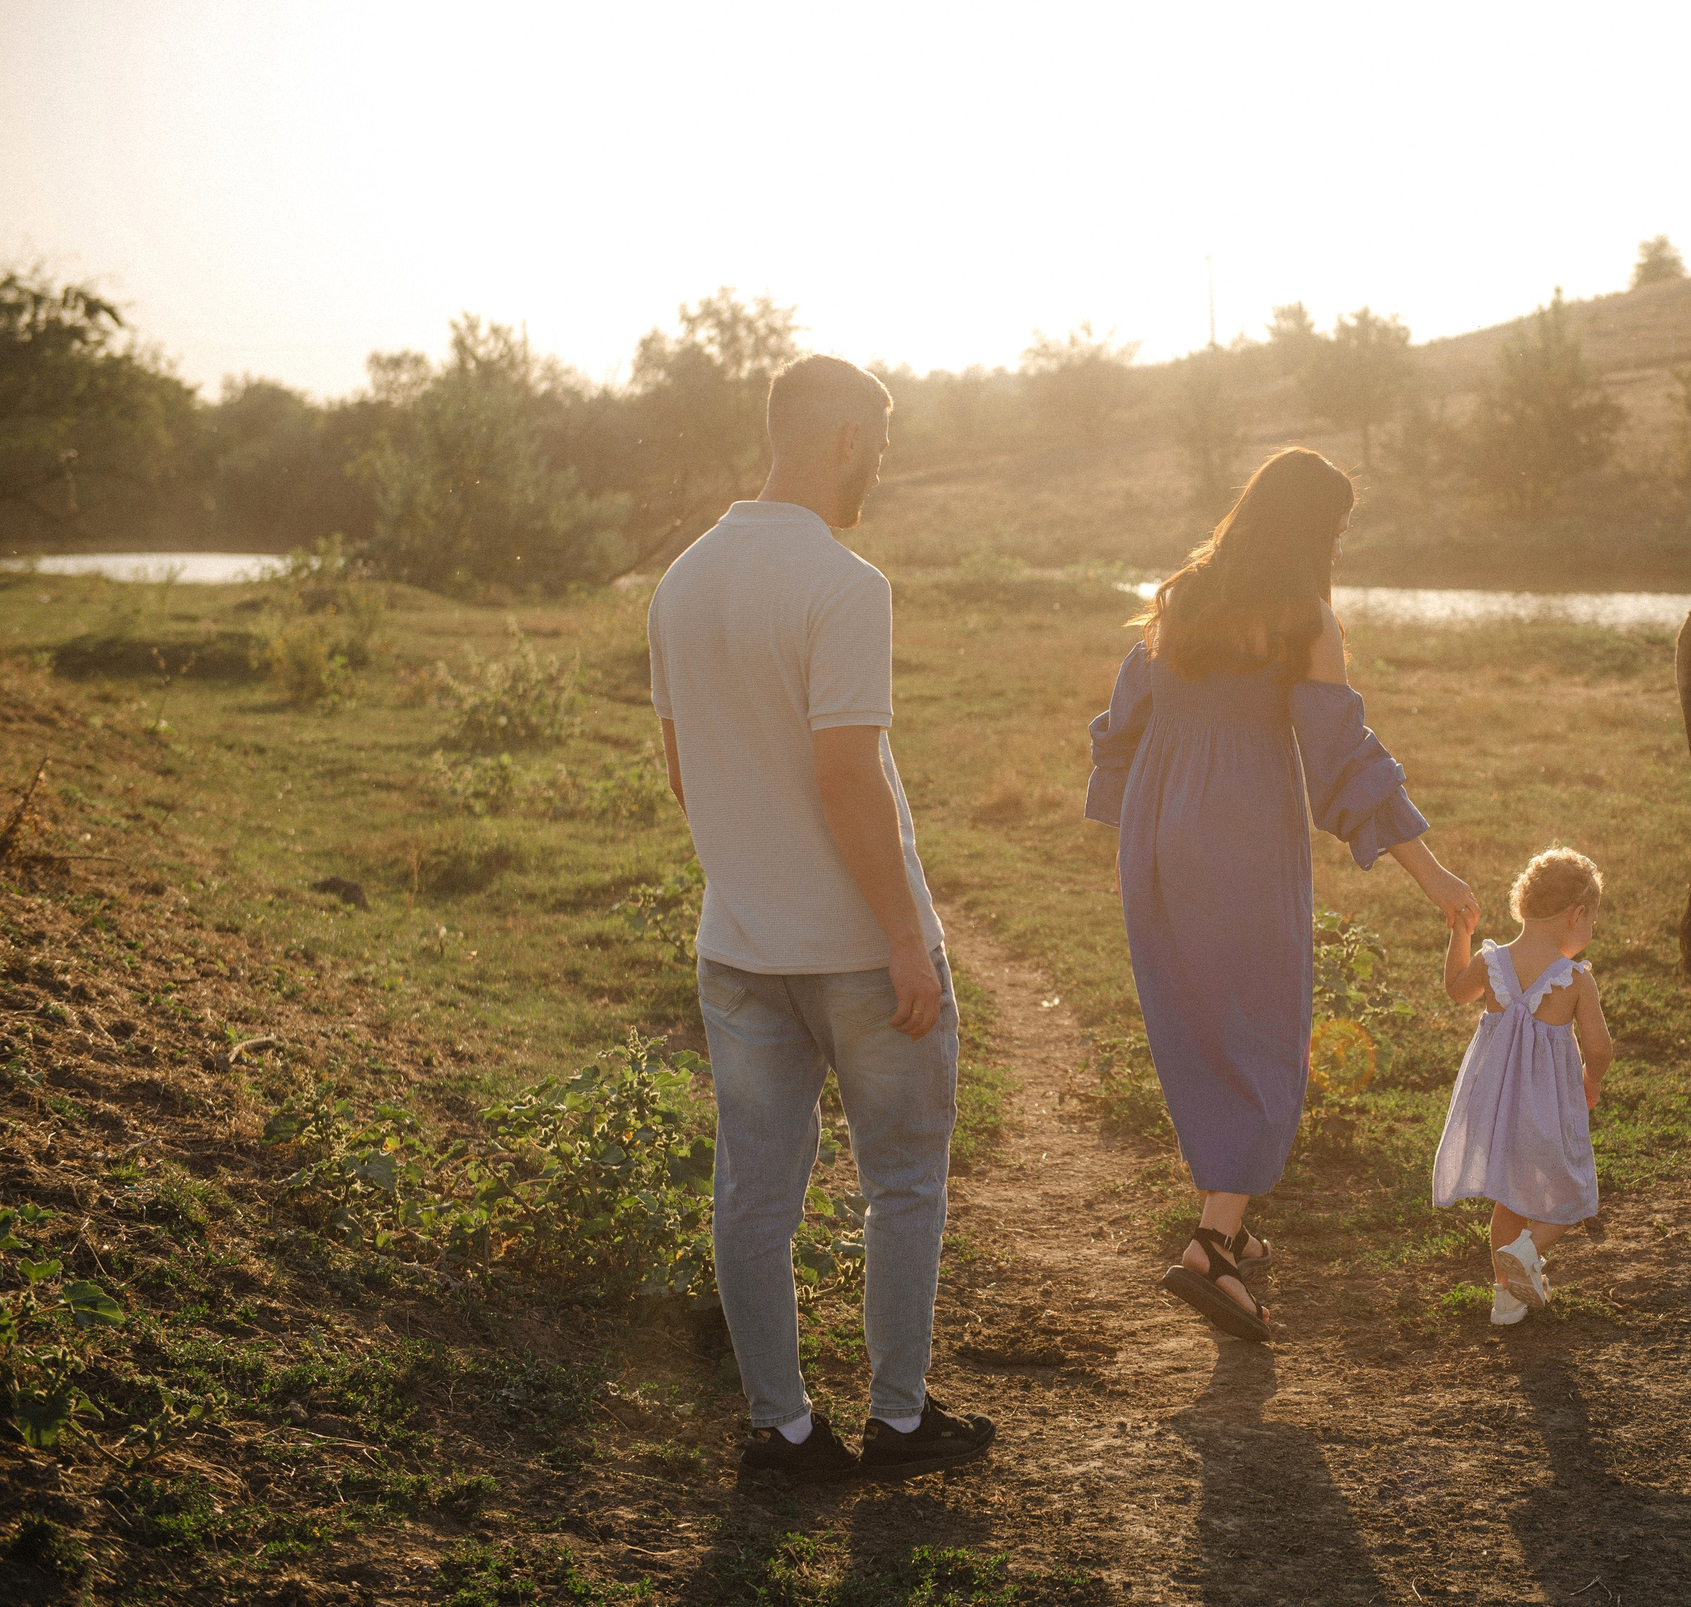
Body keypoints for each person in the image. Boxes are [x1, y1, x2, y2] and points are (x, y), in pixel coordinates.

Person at [649, 353, 994, 1482]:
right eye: (880, 450)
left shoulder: (679, 583)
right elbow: (847, 778)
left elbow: (684, 771)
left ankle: (781, 1427)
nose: (878, 476)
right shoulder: (846, 585)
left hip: (737, 948)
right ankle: (897, 1419)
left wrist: (756, 874)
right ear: (845, 435)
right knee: (901, 1180)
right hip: (854, 954)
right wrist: (903, 935)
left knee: (753, 1193)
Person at [1087, 448, 1477, 1342]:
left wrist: (1138, 836)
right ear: (1315, 530)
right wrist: (1435, 874)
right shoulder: (1305, 621)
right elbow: (1347, 763)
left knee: (1196, 1018)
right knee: (1264, 1025)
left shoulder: (1180, 595)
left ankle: (1230, 1215)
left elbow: (1124, 720)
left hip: (1157, 834)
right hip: (1240, 834)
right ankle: (1212, 1247)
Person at [1431, 847, 1615, 1326]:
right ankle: (1529, 1250)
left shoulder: (1493, 964)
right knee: (1572, 1191)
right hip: (1548, 1109)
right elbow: (1600, 1049)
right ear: (1577, 915)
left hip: (1496, 1107)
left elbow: (1455, 989)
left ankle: (1506, 1298)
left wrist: (1462, 934)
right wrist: (1590, 1082)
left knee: (1509, 1200)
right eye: (1592, 920)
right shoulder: (1574, 980)